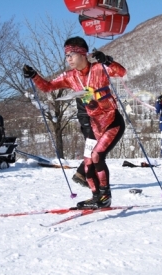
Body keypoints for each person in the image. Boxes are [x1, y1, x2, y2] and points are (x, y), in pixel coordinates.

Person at [23, 36, 126, 209]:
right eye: (66, 55)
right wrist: (34, 75)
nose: (68, 58)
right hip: (94, 126)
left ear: (83, 54)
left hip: (111, 122)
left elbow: (121, 72)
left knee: (97, 156)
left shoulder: (99, 69)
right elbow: (48, 86)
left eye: (71, 54)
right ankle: (96, 197)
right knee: (87, 164)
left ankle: (105, 196)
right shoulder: (70, 77)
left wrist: (107, 61)